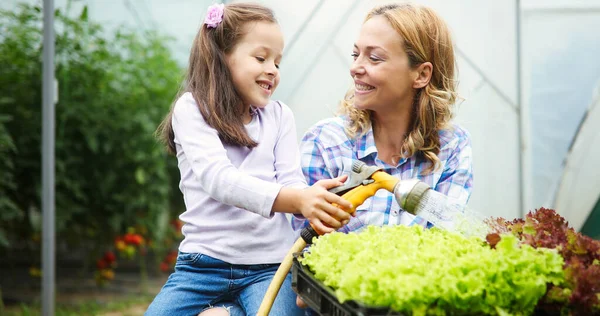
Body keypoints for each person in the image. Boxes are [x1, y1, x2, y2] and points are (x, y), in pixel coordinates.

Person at [144, 3, 352, 316]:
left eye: (278, 62)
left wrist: (311, 199)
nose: (273, 69)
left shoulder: (280, 116)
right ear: (222, 56)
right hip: (202, 268)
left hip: (268, 267)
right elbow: (220, 180)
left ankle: (226, 312)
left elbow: (291, 179)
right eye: (261, 58)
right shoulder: (193, 110)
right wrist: (297, 199)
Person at [293, 3, 473, 242]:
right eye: (356, 54)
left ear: (421, 75)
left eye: (374, 58)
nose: (355, 68)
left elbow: (448, 239)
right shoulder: (326, 141)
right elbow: (306, 246)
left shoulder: (452, 146)